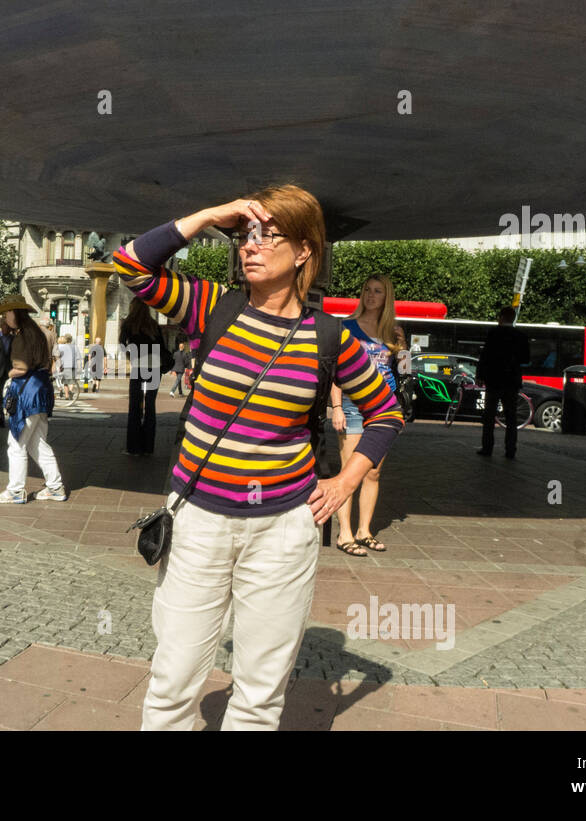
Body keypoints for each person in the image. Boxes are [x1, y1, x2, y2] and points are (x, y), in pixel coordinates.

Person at [113, 185, 403, 730]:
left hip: (283, 530)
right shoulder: (210, 308)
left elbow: (386, 413)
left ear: (303, 253)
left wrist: (344, 483)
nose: (251, 246)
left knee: (260, 694)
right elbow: (130, 263)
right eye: (246, 235)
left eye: (269, 236)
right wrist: (207, 215)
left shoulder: (329, 337)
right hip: (197, 519)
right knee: (174, 678)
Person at [327, 275, 405, 556]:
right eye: (367, 291)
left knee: (373, 472)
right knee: (349, 471)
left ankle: (364, 531)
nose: (371, 296)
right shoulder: (346, 327)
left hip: (384, 407)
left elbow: (405, 369)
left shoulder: (393, 330)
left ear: (387, 297)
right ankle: (344, 534)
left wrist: (403, 346)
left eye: (377, 291)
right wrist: (336, 408)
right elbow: (335, 372)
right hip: (351, 405)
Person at [0, 295, 67, 503]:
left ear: (15, 313)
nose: (5, 318)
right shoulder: (39, 333)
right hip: (41, 390)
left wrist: (9, 374)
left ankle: (15, 490)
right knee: (38, 443)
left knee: (16, 443)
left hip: (27, 393)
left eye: (6, 313)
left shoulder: (22, 336)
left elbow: (21, 367)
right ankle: (55, 486)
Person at [477, 306, 530, 459]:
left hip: (493, 380)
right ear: (513, 318)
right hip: (511, 382)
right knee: (511, 417)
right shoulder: (521, 336)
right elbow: (526, 359)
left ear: (501, 317)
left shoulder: (493, 333)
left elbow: (485, 357)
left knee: (489, 416)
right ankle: (510, 450)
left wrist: (480, 375)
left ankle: (487, 448)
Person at [119, 296, 164, 455]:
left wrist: (131, 356)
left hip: (139, 365)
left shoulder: (128, 324)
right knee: (150, 406)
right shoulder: (153, 325)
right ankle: (148, 447)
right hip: (155, 366)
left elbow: (122, 343)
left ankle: (134, 447)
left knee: (135, 405)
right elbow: (162, 347)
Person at [54, 334, 79, 400]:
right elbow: (78, 357)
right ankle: (70, 390)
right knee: (72, 380)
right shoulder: (75, 347)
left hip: (65, 366)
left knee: (65, 381)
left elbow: (58, 356)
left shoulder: (61, 347)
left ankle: (67, 395)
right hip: (74, 365)